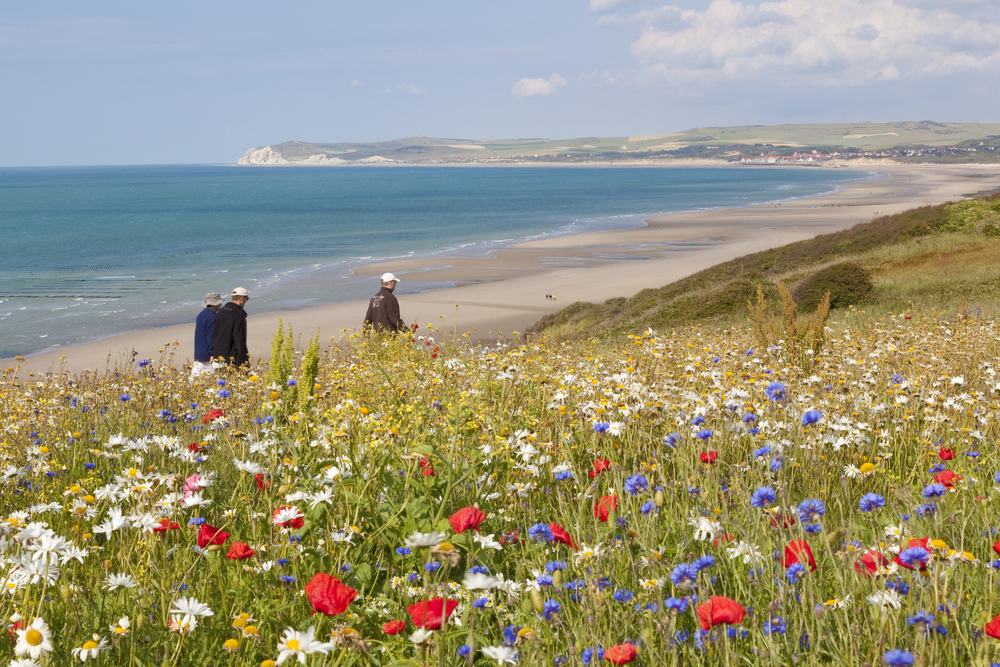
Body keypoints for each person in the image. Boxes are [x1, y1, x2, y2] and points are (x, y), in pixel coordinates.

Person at [214, 287, 250, 367]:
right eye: (246, 299)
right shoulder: (239, 315)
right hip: (233, 358)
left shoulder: (220, 312)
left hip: (218, 356)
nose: (245, 302)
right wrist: (243, 359)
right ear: (242, 298)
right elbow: (239, 338)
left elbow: (215, 333)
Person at [191, 292, 222, 377]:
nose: (221, 304)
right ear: (215, 304)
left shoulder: (200, 315)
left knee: (195, 381)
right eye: (219, 303)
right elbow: (210, 336)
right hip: (207, 357)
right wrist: (212, 353)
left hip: (198, 355)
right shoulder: (213, 317)